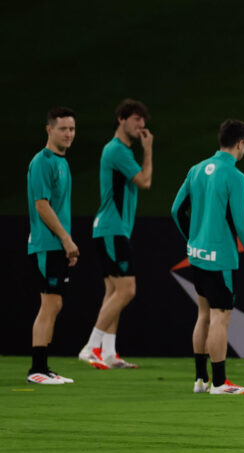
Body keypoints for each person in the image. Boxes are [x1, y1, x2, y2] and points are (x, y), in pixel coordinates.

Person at [171, 119, 244, 395]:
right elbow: (242, 223)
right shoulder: (235, 176)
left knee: (203, 314)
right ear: (240, 143)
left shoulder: (196, 169)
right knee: (220, 317)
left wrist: (193, 240)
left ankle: (201, 380)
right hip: (220, 258)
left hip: (197, 256)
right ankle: (220, 382)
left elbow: (176, 210)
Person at [78, 99, 153, 369]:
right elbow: (145, 181)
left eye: (143, 121)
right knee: (127, 289)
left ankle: (108, 351)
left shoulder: (121, 151)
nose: (141, 126)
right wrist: (149, 150)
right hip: (112, 228)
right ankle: (91, 346)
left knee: (113, 290)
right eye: (136, 120)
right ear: (121, 119)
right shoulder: (117, 151)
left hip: (112, 228)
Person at [26, 107, 80, 384]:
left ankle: (43, 368)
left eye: (72, 129)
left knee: (54, 303)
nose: (69, 134)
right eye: (63, 129)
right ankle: (36, 370)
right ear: (49, 130)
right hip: (46, 243)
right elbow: (41, 205)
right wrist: (65, 238)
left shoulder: (62, 163)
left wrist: (66, 245)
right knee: (49, 303)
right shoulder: (42, 162)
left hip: (57, 245)